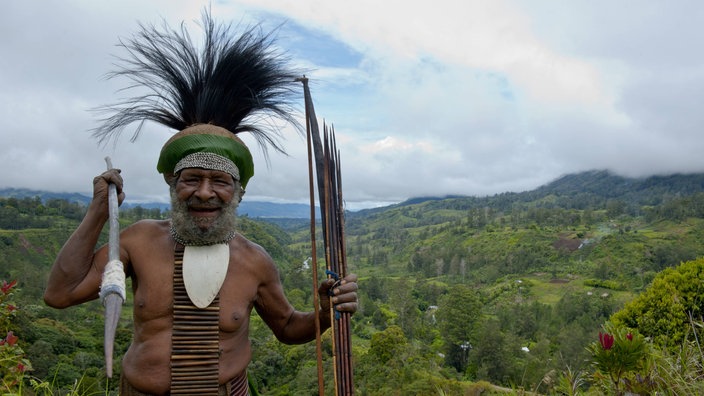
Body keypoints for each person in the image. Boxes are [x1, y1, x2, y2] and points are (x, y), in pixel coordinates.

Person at [43, 11, 358, 396]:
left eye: (220, 181)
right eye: (191, 179)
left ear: (238, 192)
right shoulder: (138, 241)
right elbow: (60, 294)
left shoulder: (254, 260)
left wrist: (325, 313)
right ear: (173, 185)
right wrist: (97, 211)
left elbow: (288, 327)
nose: (205, 192)